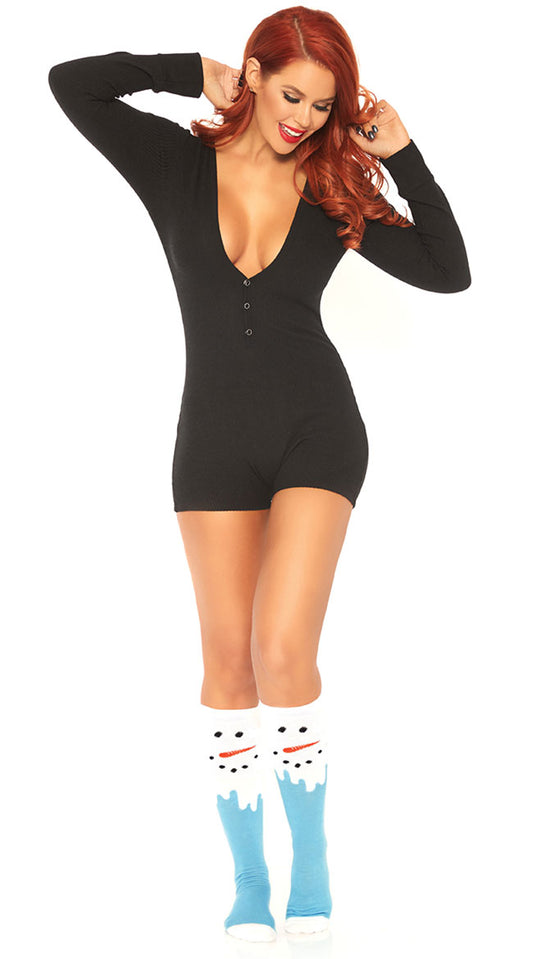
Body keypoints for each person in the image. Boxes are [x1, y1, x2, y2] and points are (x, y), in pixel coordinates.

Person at [48, 3, 471, 945]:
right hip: (211, 439)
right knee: (227, 666)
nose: (302, 120)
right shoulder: (172, 164)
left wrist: (401, 154)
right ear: (254, 74)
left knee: (283, 648)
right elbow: (70, 84)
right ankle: (249, 878)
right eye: (290, 96)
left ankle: (310, 861)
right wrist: (184, 70)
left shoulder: (332, 193)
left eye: (322, 107)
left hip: (317, 430)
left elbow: (448, 269)